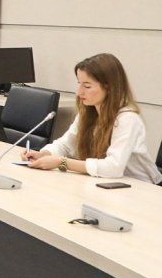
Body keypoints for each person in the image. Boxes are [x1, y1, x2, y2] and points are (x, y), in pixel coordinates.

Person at [22, 53, 161, 184]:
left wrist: (61, 162)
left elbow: (113, 167)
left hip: (143, 189)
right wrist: (44, 154)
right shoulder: (88, 113)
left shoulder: (127, 119)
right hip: (106, 183)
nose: (79, 92)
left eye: (87, 86)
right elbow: (65, 145)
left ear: (109, 87)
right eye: (79, 83)